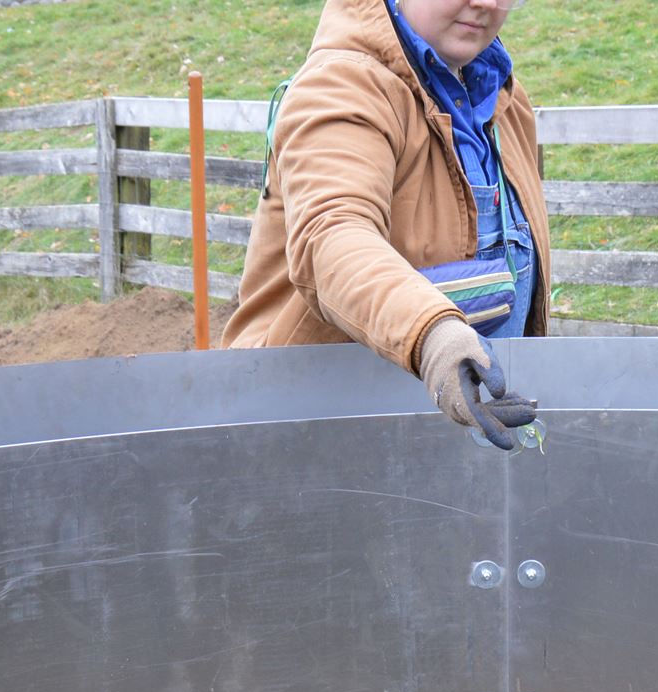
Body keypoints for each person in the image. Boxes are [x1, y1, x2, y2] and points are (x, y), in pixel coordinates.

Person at [224, 0, 548, 448]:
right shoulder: (341, 89)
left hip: (444, 451)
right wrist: (431, 335)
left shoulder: (505, 103)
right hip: (316, 444)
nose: (488, 3)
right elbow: (334, 236)